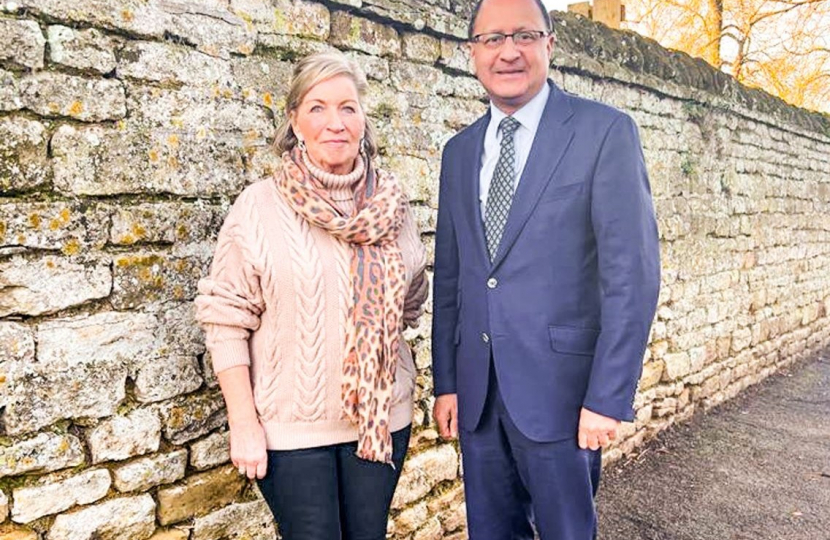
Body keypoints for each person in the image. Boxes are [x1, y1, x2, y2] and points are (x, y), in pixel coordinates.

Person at [431, 0, 661, 538]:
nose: (508, 51)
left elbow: (633, 277)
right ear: (472, 53)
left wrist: (607, 397)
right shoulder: (458, 152)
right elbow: (453, 279)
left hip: (563, 396)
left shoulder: (604, 132)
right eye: (492, 39)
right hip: (480, 399)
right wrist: (448, 381)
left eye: (524, 35)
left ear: (549, 45)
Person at [195, 50, 428, 540]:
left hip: (380, 420)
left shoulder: (393, 204)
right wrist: (244, 423)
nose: (335, 122)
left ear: (363, 118)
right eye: (318, 107)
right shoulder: (259, 206)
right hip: (291, 429)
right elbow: (225, 319)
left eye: (348, 107)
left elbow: (411, 299)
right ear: (295, 121)